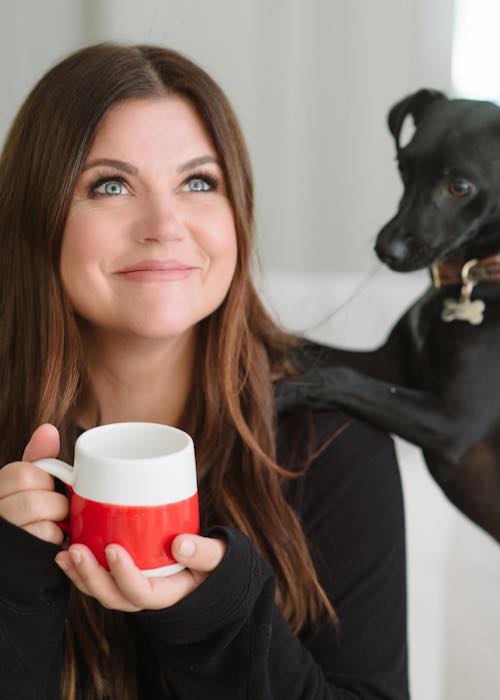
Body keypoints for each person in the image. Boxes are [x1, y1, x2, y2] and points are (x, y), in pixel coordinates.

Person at [0, 43, 409, 700]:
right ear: (36, 216)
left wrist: (222, 623)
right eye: (110, 184)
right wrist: (14, 595)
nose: (165, 226)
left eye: (198, 183)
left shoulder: (333, 439)